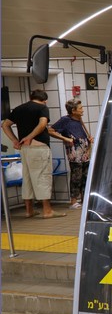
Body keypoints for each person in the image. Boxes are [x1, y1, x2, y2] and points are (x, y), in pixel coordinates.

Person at [2, 89, 71, 218]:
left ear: (31, 97)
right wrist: (30, 136)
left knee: (27, 178)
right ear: (44, 100)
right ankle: (47, 211)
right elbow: (43, 124)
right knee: (43, 177)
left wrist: (15, 140)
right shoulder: (42, 108)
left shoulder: (19, 108)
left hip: (24, 149)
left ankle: (29, 210)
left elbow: (5, 125)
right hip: (39, 148)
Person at [51, 99, 93, 209]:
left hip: (84, 150)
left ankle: (85, 199)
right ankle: (74, 201)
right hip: (74, 151)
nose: (83, 110)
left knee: (86, 175)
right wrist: (65, 138)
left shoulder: (79, 119)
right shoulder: (65, 120)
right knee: (76, 176)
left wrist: (89, 138)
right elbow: (50, 130)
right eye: (80, 108)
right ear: (73, 110)